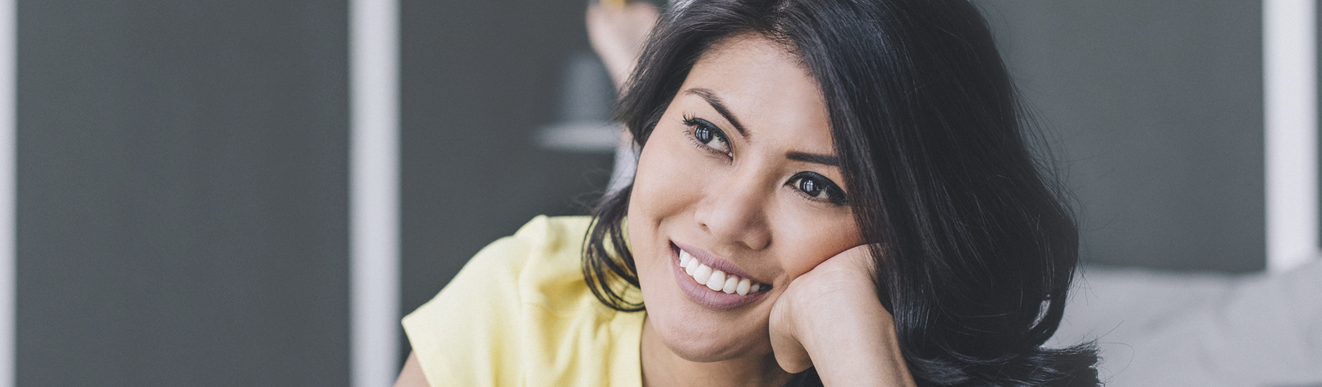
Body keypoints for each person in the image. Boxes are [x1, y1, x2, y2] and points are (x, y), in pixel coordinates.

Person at [396, 0, 1100, 385]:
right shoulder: (523, 306)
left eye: (813, 184)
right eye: (707, 134)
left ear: (907, 226)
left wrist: (859, 355)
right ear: (650, 125)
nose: (730, 218)